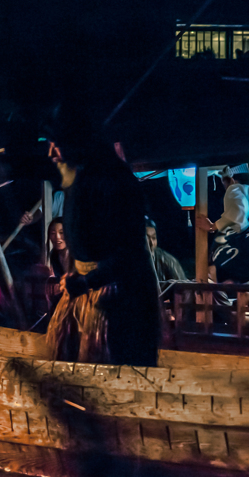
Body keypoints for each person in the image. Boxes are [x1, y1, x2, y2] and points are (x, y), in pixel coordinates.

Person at [44, 117, 159, 366]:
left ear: (76, 144)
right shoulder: (80, 180)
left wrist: (88, 281)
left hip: (116, 300)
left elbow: (127, 252)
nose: (51, 152)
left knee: (102, 368)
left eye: (57, 144)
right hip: (86, 292)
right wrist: (75, 274)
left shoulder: (112, 181)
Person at [145, 218, 188, 284]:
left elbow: (183, 289)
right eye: (147, 239)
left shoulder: (168, 261)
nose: (151, 243)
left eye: (154, 238)